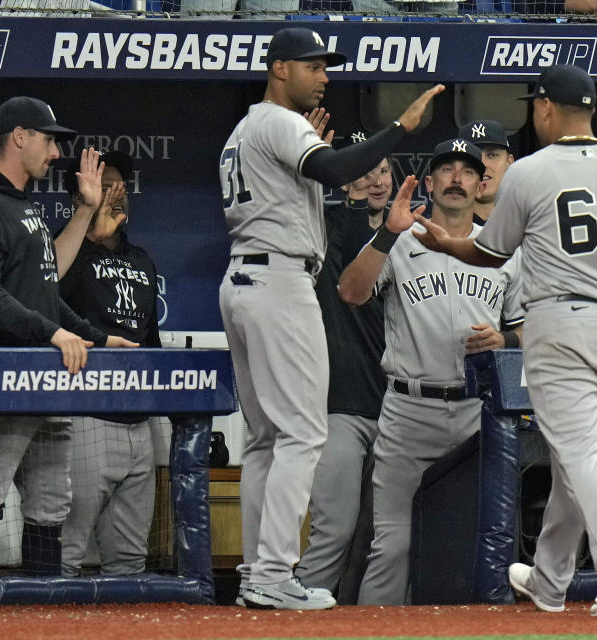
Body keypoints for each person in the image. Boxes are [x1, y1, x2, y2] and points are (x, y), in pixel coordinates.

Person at [412, 65, 597, 616]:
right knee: (575, 455)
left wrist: (449, 245)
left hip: (560, 325)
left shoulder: (531, 171)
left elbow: (490, 254)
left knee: (578, 451)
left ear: (546, 107)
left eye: (536, 105)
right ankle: (548, 582)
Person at [218, 26, 443, 610]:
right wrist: (402, 128)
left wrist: (313, 154)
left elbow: (310, 182)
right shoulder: (277, 122)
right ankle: (271, 574)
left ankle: (255, 573)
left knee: (267, 439)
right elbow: (339, 170)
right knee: (302, 433)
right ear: (279, 69)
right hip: (279, 281)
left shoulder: (247, 129)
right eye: (314, 67)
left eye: (326, 67)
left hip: (246, 277)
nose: (324, 77)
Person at [0, 96, 139, 578]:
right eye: (48, 140)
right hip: (1, 377)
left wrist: (97, 338)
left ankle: (41, 611)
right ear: (19, 136)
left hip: (45, 379)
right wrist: (51, 333)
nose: (54, 153)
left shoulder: (21, 206)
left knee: (51, 501)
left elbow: (44, 291)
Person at [337, 138, 524, 606]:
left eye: (468, 170)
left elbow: (529, 328)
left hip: (476, 416)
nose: (457, 178)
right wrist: (386, 234)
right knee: (393, 546)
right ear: (429, 181)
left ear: (482, 183)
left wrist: (506, 341)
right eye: (446, 169)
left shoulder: (503, 248)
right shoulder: (399, 240)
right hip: (408, 410)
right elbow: (351, 292)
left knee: (480, 546)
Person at [294, 136, 393, 601]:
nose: (374, 181)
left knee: (380, 541)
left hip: (394, 409)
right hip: (338, 403)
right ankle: (295, 626)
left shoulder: (409, 239)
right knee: (334, 531)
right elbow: (339, 280)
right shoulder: (328, 225)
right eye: (363, 171)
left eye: (382, 171)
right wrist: (352, 203)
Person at [55, 151, 160, 577]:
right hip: (85, 413)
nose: (118, 194)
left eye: (122, 186)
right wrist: (92, 239)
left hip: (138, 419)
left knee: (130, 559)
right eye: (106, 185)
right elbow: (48, 297)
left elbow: (149, 339)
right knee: (68, 551)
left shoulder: (142, 260)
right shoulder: (65, 251)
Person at [457, 119, 515, 224]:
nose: (483, 164)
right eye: (473, 156)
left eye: (492, 155)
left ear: (509, 162)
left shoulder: (526, 224)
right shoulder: (439, 227)